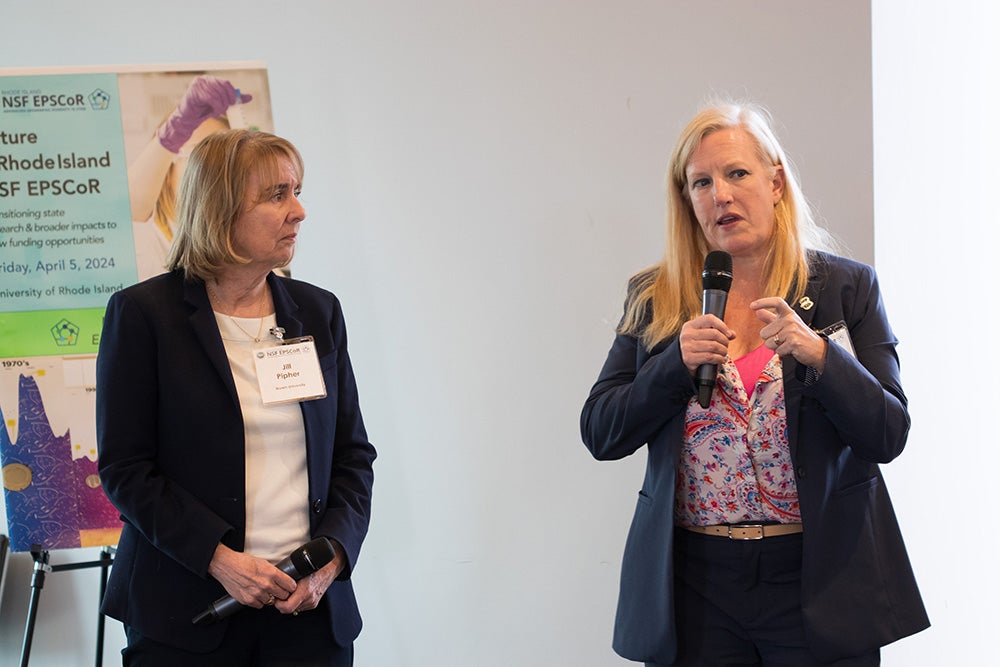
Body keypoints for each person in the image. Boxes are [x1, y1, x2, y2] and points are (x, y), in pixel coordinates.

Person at [580, 102, 929, 666]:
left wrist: (820, 355)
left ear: (775, 182)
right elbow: (600, 431)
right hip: (696, 586)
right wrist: (672, 365)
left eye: (737, 173)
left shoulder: (845, 288)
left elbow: (888, 433)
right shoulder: (657, 298)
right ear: (687, 200)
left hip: (821, 576)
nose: (720, 194)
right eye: (701, 182)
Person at [97, 129, 376, 666]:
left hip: (309, 612)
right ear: (220, 209)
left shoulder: (318, 313)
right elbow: (126, 468)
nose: (298, 211)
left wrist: (333, 557)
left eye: (297, 191)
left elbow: (353, 456)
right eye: (277, 195)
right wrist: (218, 559)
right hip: (188, 614)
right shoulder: (144, 316)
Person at [129, 75, 246, 281]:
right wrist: (177, 129)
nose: (214, 169)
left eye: (226, 158)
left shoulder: (245, 250)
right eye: (199, 152)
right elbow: (128, 210)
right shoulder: (145, 244)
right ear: (166, 167)